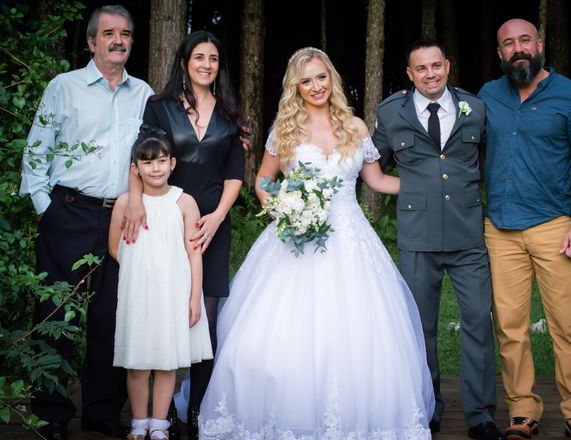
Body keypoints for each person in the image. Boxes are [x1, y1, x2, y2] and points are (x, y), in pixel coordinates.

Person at [197, 47, 435, 438]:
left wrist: (427, 186)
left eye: (321, 77)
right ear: (296, 87)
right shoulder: (285, 130)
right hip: (294, 238)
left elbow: (376, 181)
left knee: (363, 334)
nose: (315, 86)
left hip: (351, 239)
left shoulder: (356, 127)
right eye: (305, 81)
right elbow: (261, 182)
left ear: (331, 78)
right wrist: (282, 209)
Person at [19, 5, 153, 440]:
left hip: (123, 215)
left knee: (112, 315)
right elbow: (37, 150)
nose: (119, 40)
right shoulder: (64, 87)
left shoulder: (144, 93)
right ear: (92, 41)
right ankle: (53, 415)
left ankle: (100, 412)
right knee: (55, 311)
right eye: (109, 33)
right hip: (68, 211)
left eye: (126, 34)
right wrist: (47, 209)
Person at [479, 18, 571, 440]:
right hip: (499, 227)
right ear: (500, 53)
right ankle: (522, 409)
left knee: (566, 324)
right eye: (508, 43)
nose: (518, 49)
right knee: (510, 327)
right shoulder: (487, 96)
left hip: (554, 226)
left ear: (539, 44)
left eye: (524, 41)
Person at [373, 39, 503, 440]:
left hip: (467, 235)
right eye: (421, 69)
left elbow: (491, 161)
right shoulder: (390, 112)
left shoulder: (475, 107)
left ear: (447, 66)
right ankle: (426, 408)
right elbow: (367, 161)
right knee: (419, 326)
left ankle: (480, 415)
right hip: (418, 236)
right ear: (409, 74)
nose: (430, 74)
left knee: (479, 320)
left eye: (436, 66)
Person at [123, 30, 244, 440]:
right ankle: (163, 415)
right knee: (164, 315)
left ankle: (196, 412)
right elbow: (139, 157)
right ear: (184, 63)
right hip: (163, 220)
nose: (206, 65)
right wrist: (136, 201)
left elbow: (235, 174)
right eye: (199, 58)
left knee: (204, 319)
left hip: (210, 225)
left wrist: (215, 218)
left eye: (213, 59)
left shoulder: (229, 113)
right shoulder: (160, 107)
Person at [108, 129, 213, 440]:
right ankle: (139, 423)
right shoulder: (125, 203)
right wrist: (143, 270)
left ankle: (159, 425)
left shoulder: (184, 202)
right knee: (137, 363)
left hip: (173, 292)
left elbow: (194, 254)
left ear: (172, 163)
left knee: (167, 362)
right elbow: (116, 249)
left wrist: (194, 297)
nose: (155, 168)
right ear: (136, 167)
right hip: (137, 293)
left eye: (161, 161)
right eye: (147, 162)